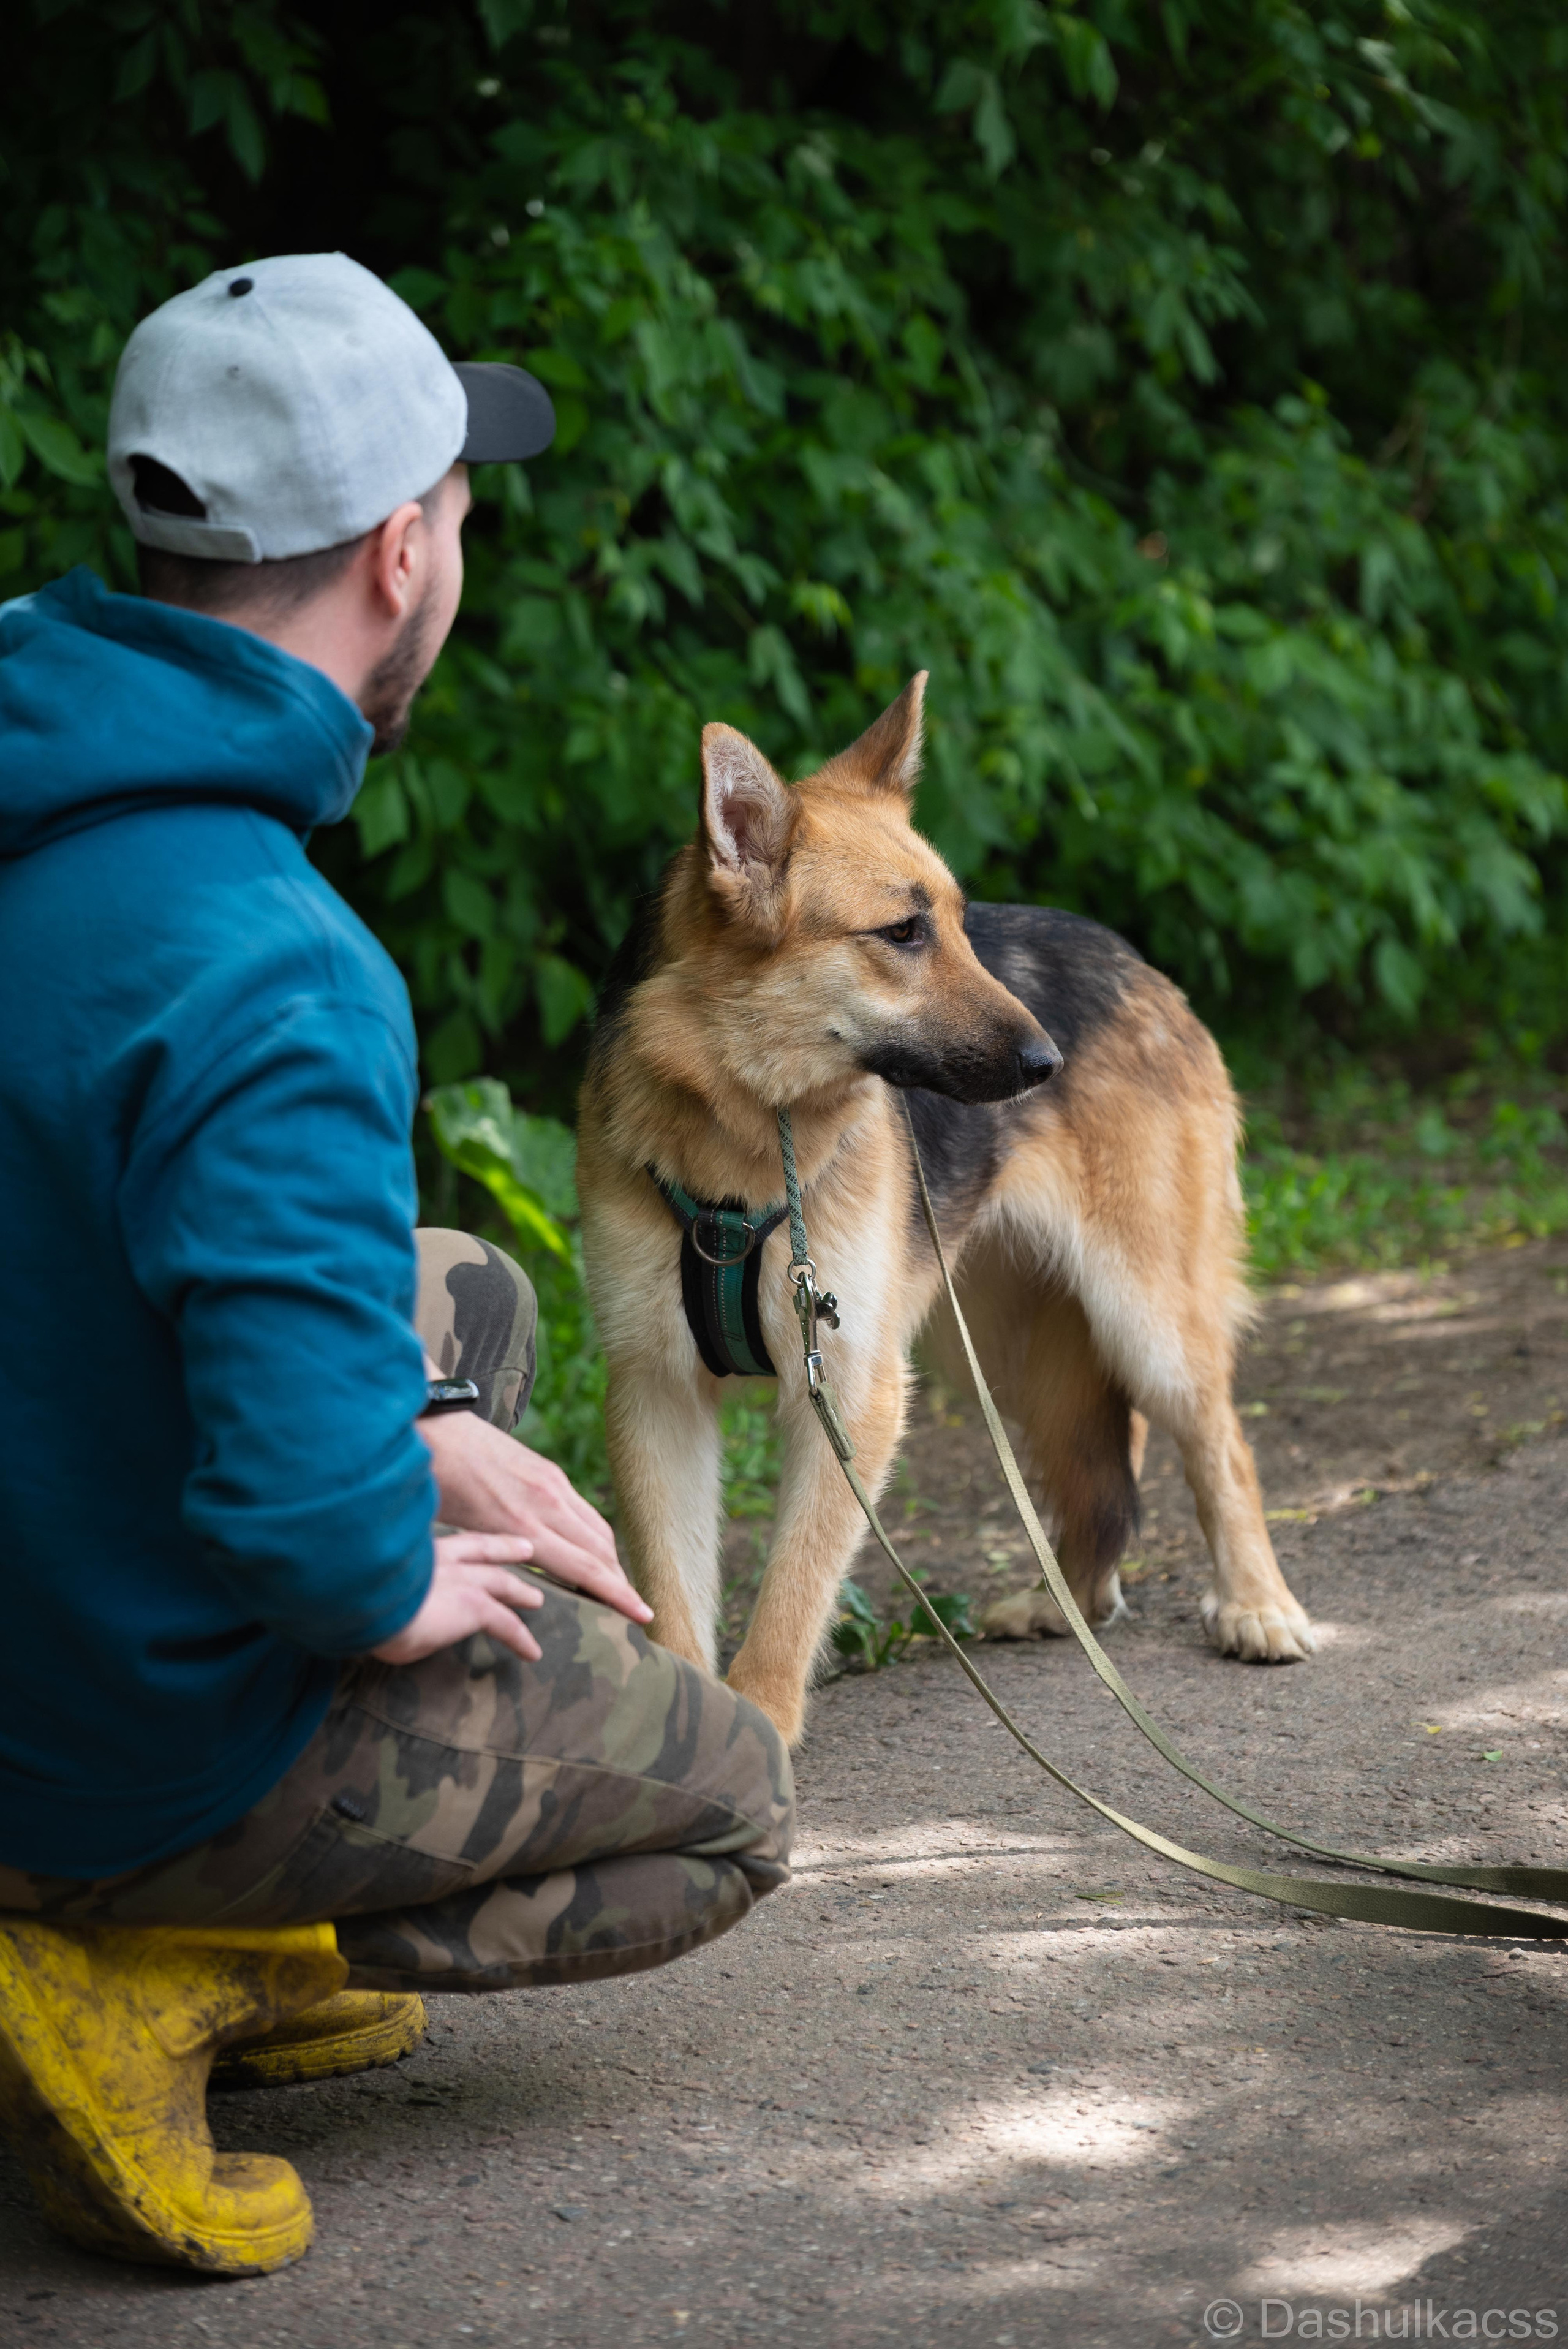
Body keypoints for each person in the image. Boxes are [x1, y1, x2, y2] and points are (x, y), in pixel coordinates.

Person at [0, 253, 793, 2279]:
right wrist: (377, 1568)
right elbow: (295, 1524)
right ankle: (131, 1946)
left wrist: (421, 1419)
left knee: (472, 1300)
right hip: (93, 1743)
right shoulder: (265, 962)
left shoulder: (47, 771)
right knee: (732, 1798)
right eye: (460, 508)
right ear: (400, 549)